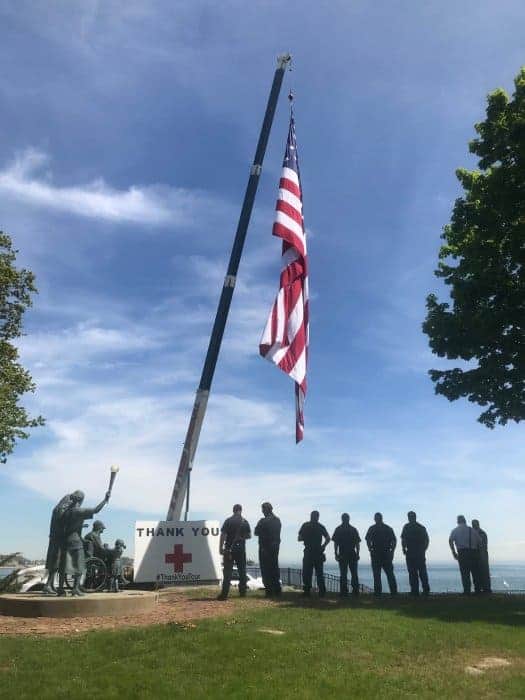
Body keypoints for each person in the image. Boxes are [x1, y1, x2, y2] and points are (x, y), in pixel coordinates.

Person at [57, 490, 110, 597]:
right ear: (81, 500)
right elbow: (95, 510)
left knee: (63, 566)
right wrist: (105, 500)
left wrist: (81, 527)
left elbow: (70, 527)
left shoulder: (65, 512)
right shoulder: (78, 511)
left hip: (65, 541)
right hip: (76, 542)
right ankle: (75, 589)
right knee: (80, 565)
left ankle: (61, 589)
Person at [43, 492, 75, 594]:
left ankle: (50, 585)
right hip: (58, 540)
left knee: (55, 563)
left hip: (55, 539)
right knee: (55, 563)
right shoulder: (61, 510)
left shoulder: (57, 510)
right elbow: (64, 522)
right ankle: (48, 585)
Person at [217, 504, 251, 600]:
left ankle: (224, 594)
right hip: (241, 550)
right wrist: (241, 537)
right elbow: (249, 536)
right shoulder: (245, 522)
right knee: (242, 571)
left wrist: (220, 548)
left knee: (227, 572)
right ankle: (243, 592)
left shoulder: (228, 521)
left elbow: (223, 535)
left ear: (233, 510)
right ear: (241, 510)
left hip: (229, 550)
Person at [298, 511, 330, 597]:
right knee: (319, 572)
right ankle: (322, 591)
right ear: (318, 517)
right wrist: (323, 546)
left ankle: (307, 591)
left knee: (307, 572)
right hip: (318, 552)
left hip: (308, 551)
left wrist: (306, 538)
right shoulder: (320, 526)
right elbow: (328, 538)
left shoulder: (305, 525)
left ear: (311, 516)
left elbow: (299, 538)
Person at [365, 513, 398, 596]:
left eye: (376, 518)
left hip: (379, 554)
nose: (376, 519)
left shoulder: (372, 528)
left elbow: (368, 540)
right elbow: (394, 541)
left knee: (379, 575)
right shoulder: (387, 528)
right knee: (387, 574)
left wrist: (370, 549)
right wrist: (392, 552)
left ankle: (379, 593)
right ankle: (392, 592)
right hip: (384, 554)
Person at [254, 502, 282, 597]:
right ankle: (277, 588)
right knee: (274, 567)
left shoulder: (263, 521)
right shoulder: (278, 520)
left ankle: (269, 590)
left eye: (263, 509)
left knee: (265, 569)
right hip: (275, 547)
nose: (262, 511)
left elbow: (256, 532)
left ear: (266, 509)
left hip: (265, 548)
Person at [449, 515, 482, 595]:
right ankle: (477, 590)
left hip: (462, 553)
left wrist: (454, 552)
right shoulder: (472, 530)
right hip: (473, 553)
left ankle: (467, 591)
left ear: (458, 521)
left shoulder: (455, 530)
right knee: (475, 573)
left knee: (465, 574)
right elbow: (479, 542)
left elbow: (450, 540)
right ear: (465, 521)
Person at [401, 511, 430, 596]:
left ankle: (415, 591)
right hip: (418, 552)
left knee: (413, 573)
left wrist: (404, 548)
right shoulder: (421, 527)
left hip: (411, 552)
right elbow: (427, 540)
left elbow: (403, 539)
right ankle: (424, 590)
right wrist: (424, 549)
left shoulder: (406, 527)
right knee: (422, 572)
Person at [332, 513, 361, 596]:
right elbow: (357, 543)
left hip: (343, 554)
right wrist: (358, 553)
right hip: (352, 554)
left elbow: (336, 543)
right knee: (354, 573)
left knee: (343, 574)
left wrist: (336, 553)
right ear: (349, 519)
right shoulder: (353, 529)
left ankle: (344, 592)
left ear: (342, 519)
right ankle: (355, 591)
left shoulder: (338, 529)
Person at [472, 519, 491, 593]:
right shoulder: (480, 533)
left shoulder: (481, 533)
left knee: (483, 573)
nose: (473, 525)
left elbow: (482, 546)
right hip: (480, 555)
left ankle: (485, 589)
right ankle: (480, 589)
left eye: (474, 524)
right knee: (478, 573)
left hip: (481, 555)